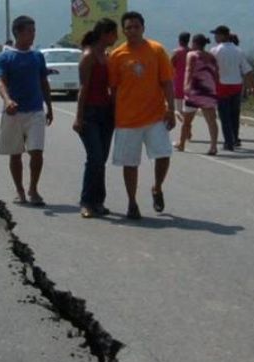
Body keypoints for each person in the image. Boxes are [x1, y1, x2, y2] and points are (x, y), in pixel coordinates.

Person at [108, 11, 176, 220]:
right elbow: (114, 88)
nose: (133, 31)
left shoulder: (156, 50)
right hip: (127, 120)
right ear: (123, 30)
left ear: (143, 28)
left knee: (163, 155)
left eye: (136, 27)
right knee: (130, 163)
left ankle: (156, 187)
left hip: (155, 116)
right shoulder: (117, 55)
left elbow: (166, 82)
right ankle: (132, 202)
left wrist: (171, 109)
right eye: (128, 27)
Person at [0, 15, 54, 206]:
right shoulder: (5, 57)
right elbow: (1, 81)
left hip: (35, 111)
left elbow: (43, 82)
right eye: (29, 30)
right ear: (18, 33)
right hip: (13, 112)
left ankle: (33, 189)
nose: (33, 34)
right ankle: (19, 190)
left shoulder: (37, 56)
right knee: (16, 153)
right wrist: (7, 101)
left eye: (34, 30)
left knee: (37, 152)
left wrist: (49, 106)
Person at [74, 18, 118, 218]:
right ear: (104, 34)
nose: (116, 38)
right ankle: (86, 202)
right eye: (113, 34)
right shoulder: (89, 56)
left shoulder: (106, 56)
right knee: (95, 158)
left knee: (101, 160)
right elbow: (83, 89)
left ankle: (99, 201)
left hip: (106, 113)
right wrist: (78, 117)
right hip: (90, 113)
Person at [210, 25, 254, 152]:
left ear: (223, 36)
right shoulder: (238, 50)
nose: (215, 37)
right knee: (234, 114)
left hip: (222, 86)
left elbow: (211, 69)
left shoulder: (215, 51)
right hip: (236, 86)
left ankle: (228, 142)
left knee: (224, 115)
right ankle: (235, 138)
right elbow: (248, 70)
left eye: (217, 34)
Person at [181, 33, 220, 155]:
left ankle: (182, 143)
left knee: (187, 120)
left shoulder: (192, 55)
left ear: (194, 43)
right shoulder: (212, 57)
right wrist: (215, 87)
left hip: (195, 90)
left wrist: (186, 86)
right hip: (209, 91)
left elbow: (189, 70)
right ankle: (213, 146)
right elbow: (216, 73)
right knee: (211, 121)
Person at [170, 32, 192, 151]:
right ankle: (188, 126)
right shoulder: (192, 51)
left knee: (177, 110)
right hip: (190, 83)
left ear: (179, 40)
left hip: (178, 82)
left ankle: (187, 126)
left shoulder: (177, 52)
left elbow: (169, 65)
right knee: (187, 109)